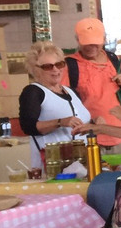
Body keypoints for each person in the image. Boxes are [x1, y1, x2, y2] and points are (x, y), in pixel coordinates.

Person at [61, 17, 121, 153]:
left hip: (120, 135)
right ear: (78, 40)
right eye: (86, 43)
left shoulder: (115, 62)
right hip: (89, 137)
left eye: (95, 43)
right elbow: (62, 103)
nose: (91, 47)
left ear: (103, 40)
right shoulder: (70, 66)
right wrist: (89, 119)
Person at [19, 41, 91, 174]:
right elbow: (28, 126)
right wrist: (60, 122)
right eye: (48, 66)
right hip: (54, 164)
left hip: (82, 162)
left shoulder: (71, 91)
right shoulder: (33, 92)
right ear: (36, 69)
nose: (55, 69)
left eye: (59, 64)